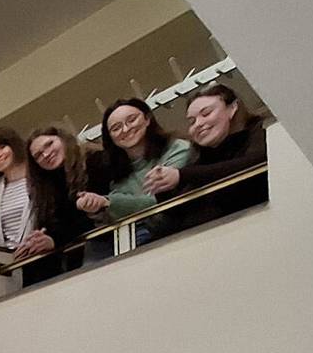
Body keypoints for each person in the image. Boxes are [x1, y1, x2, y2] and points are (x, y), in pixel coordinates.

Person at [144, 83, 269, 231]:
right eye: (192, 121)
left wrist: (182, 175)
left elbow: (254, 164)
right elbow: (178, 214)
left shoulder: (261, 132)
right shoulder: (198, 160)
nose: (199, 124)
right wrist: (163, 188)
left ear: (233, 108)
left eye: (206, 113)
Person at [90, 97, 191, 232]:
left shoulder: (177, 148)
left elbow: (161, 201)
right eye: (116, 128)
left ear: (147, 119)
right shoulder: (117, 177)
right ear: (110, 138)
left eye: (131, 120)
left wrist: (109, 202)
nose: (125, 129)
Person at [19, 126, 99, 283]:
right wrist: (40, 238)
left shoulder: (95, 161)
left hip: (100, 244)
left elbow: (90, 219)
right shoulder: (46, 190)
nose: (46, 154)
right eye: (38, 155)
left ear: (62, 139)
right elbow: (55, 223)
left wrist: (54, 240)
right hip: (73, 255)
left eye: (49, 144)